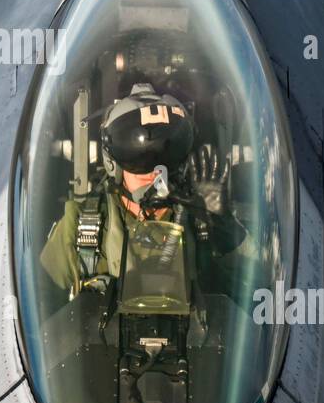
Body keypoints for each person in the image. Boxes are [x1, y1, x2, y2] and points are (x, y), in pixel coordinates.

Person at [39, 82, 253, 298]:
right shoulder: (82, 226)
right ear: (114, 163)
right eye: (139, 158)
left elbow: (257, 283)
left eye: (166, 156)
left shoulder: (200, 222)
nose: (155, 170)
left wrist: (224, 226)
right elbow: (40, 300)